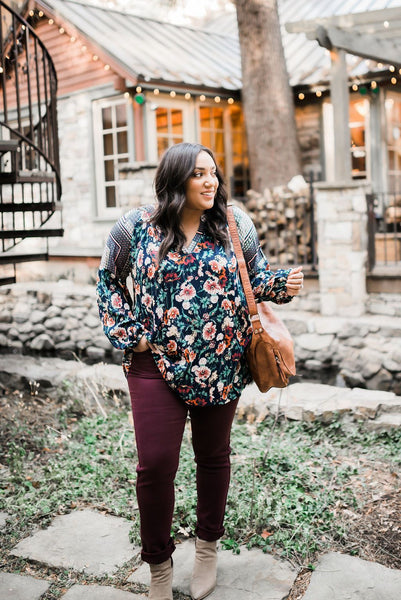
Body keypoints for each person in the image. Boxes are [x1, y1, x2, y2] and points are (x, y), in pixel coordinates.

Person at [96, 142, 303, 600]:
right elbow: (109, 281)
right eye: (199, 174)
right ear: (176, 180)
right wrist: (133, 336)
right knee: (155, 465)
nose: (211, 181)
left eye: (214, 172)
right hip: (154, 364)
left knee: (213, 458)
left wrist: (283, 285)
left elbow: (257, 277)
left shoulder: (235, 222)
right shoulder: (134, 227)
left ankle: (207, 548)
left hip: (220, 362)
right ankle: (160, 570)